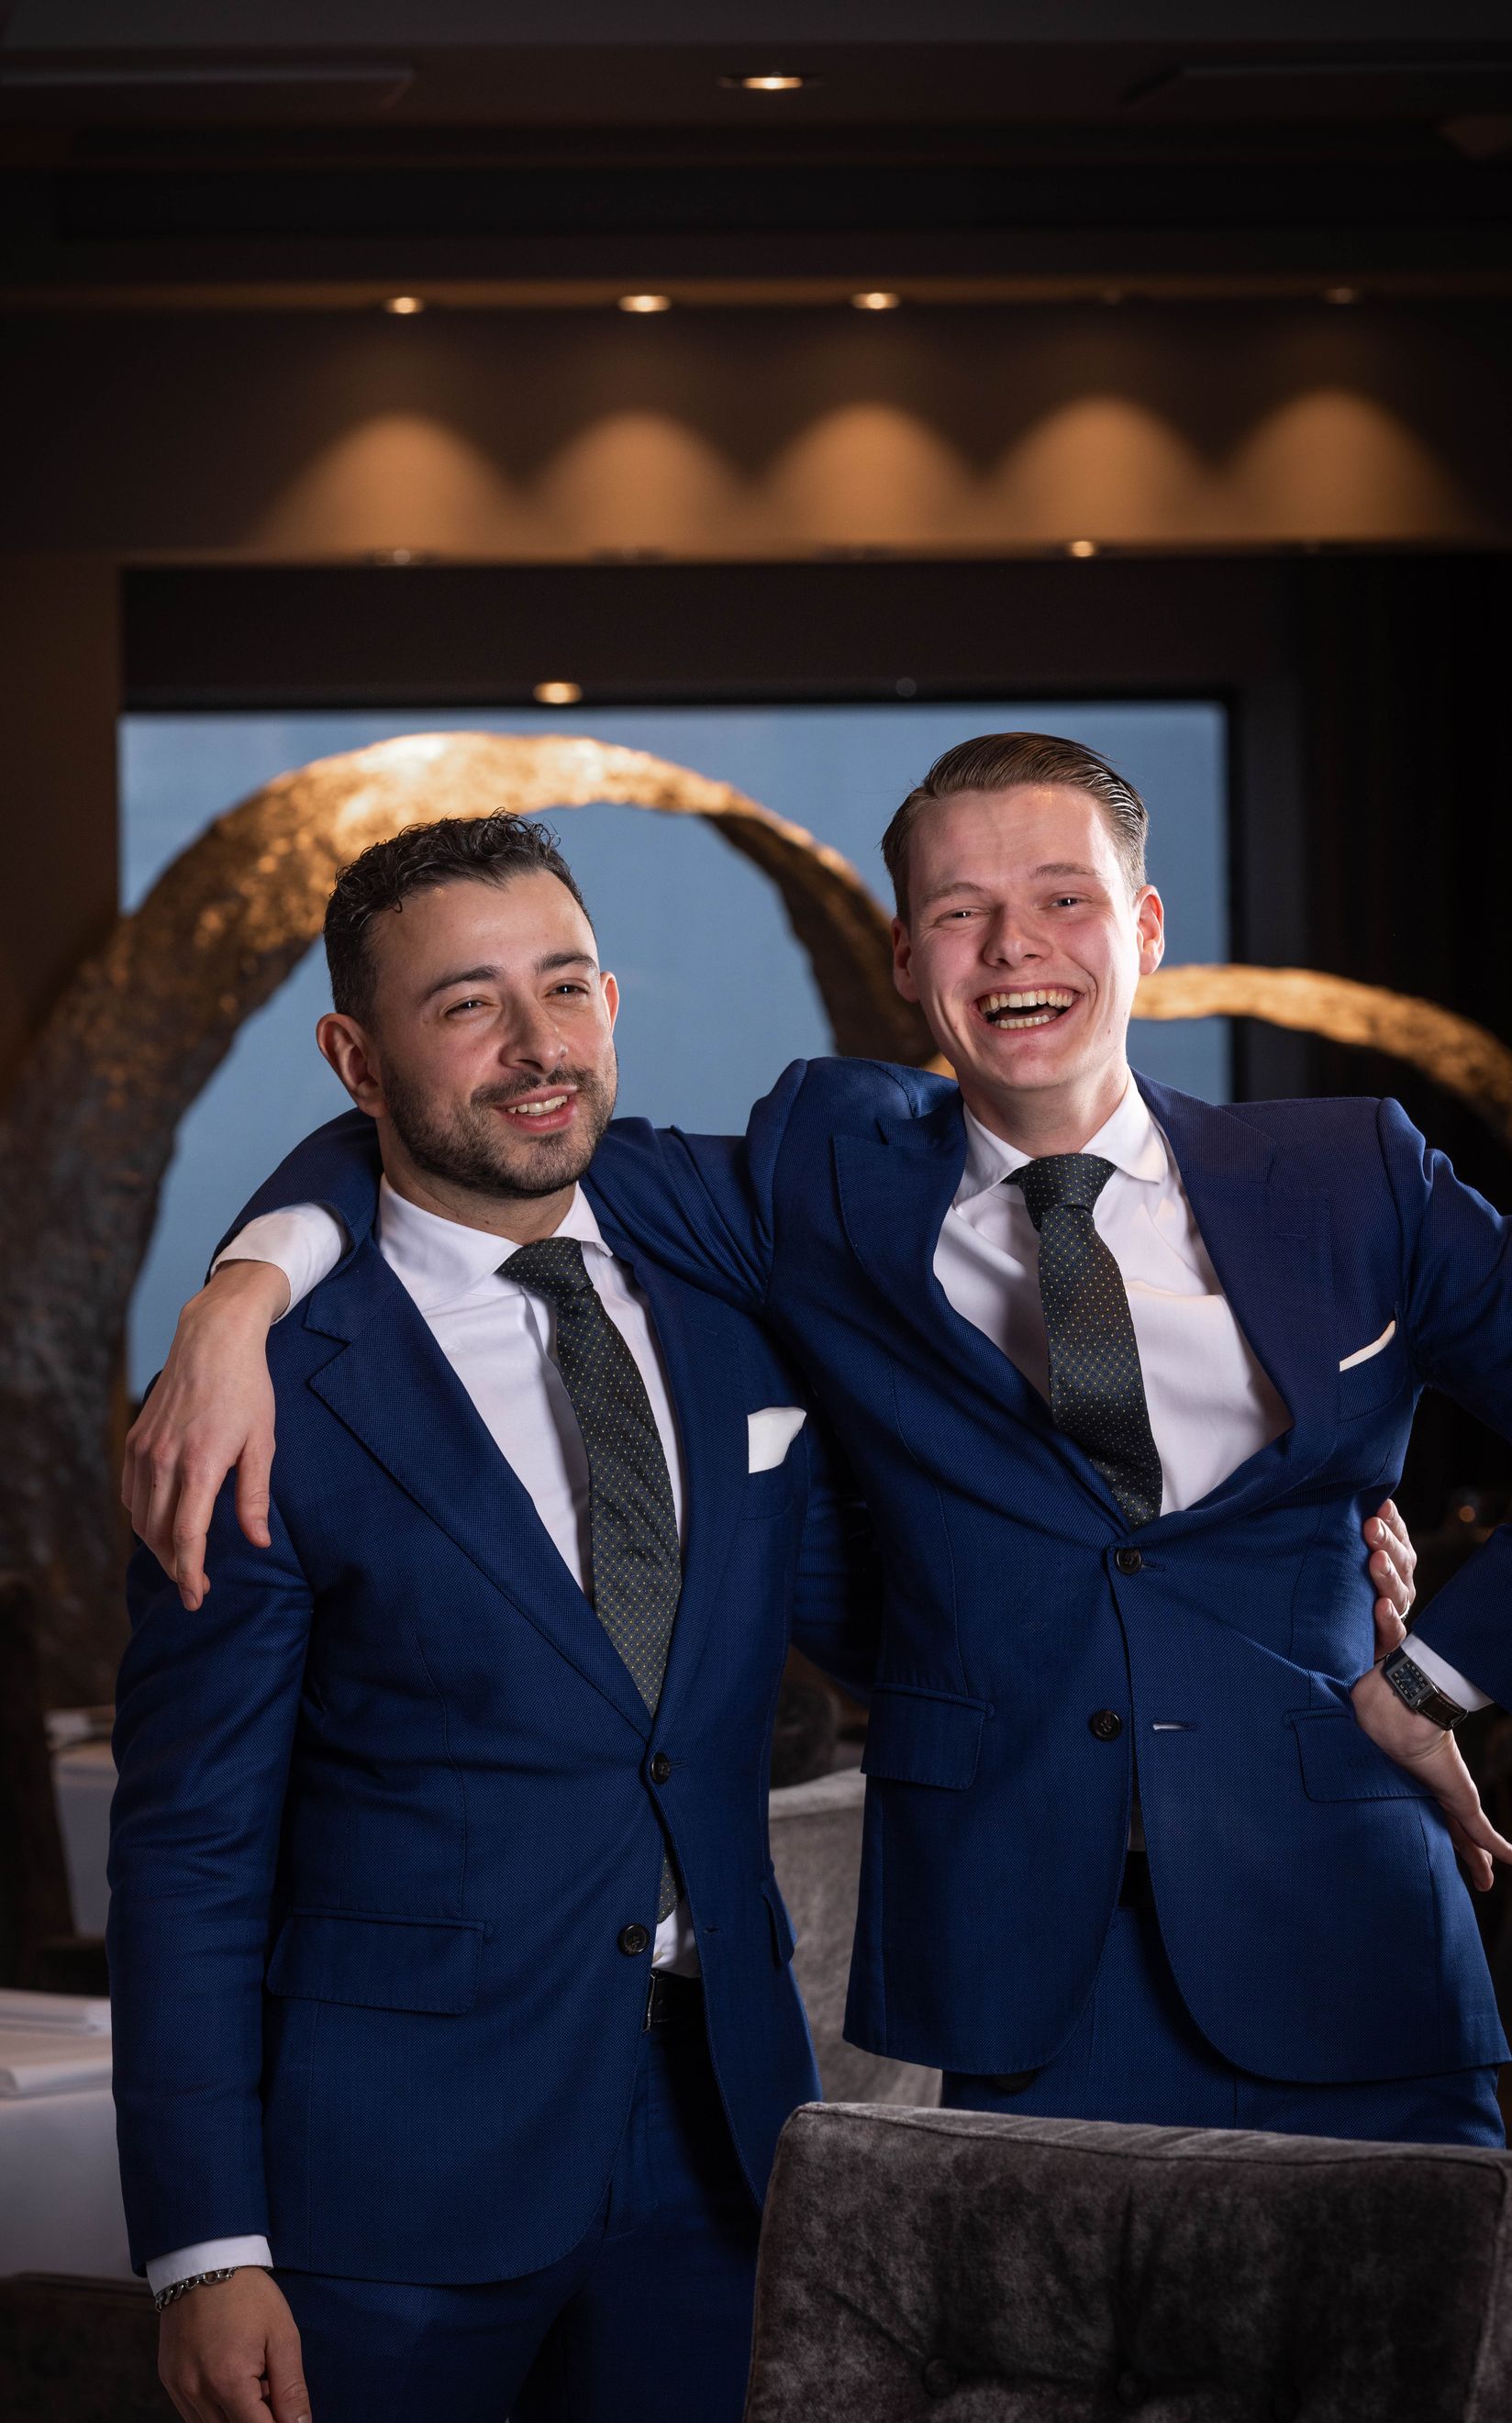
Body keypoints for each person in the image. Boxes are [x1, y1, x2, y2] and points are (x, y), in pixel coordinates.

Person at [130, 736, 1485, 2152]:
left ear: (1146, 927)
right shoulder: (821, 1176)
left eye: (1065, 899)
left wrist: (1437, 1680)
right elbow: (461, 1132)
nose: (1014, 946)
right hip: (1027, 1958)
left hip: (1352, 1930)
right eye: (962, 911)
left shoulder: (1352, 1173)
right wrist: (248, 1291)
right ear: (907, 957)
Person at [109, 814, 880, 2423]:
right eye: (470, 1005)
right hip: (383, 2173)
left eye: (566, 986)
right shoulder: (268, 1392)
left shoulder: (735, 1292)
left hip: (713, 2138)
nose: (539, 1044)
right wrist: (206, 2250)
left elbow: (901, 1603)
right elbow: (190, 1850)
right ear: (356, 1063)